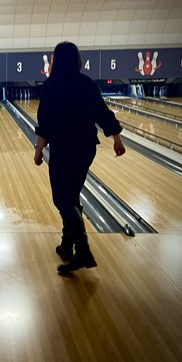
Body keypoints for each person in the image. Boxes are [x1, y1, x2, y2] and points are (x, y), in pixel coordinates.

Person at [33, 41, 126, 273]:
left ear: (55, 60)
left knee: (62, 200)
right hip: (86, 149)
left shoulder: (51, 85)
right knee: (71, 197)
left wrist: (38, 150)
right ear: (77, 60)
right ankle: (67, 247)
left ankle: (83, 251)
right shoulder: (86, 84)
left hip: (64, 149)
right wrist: (116, 137)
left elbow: (45, 121)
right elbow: (102, 112)